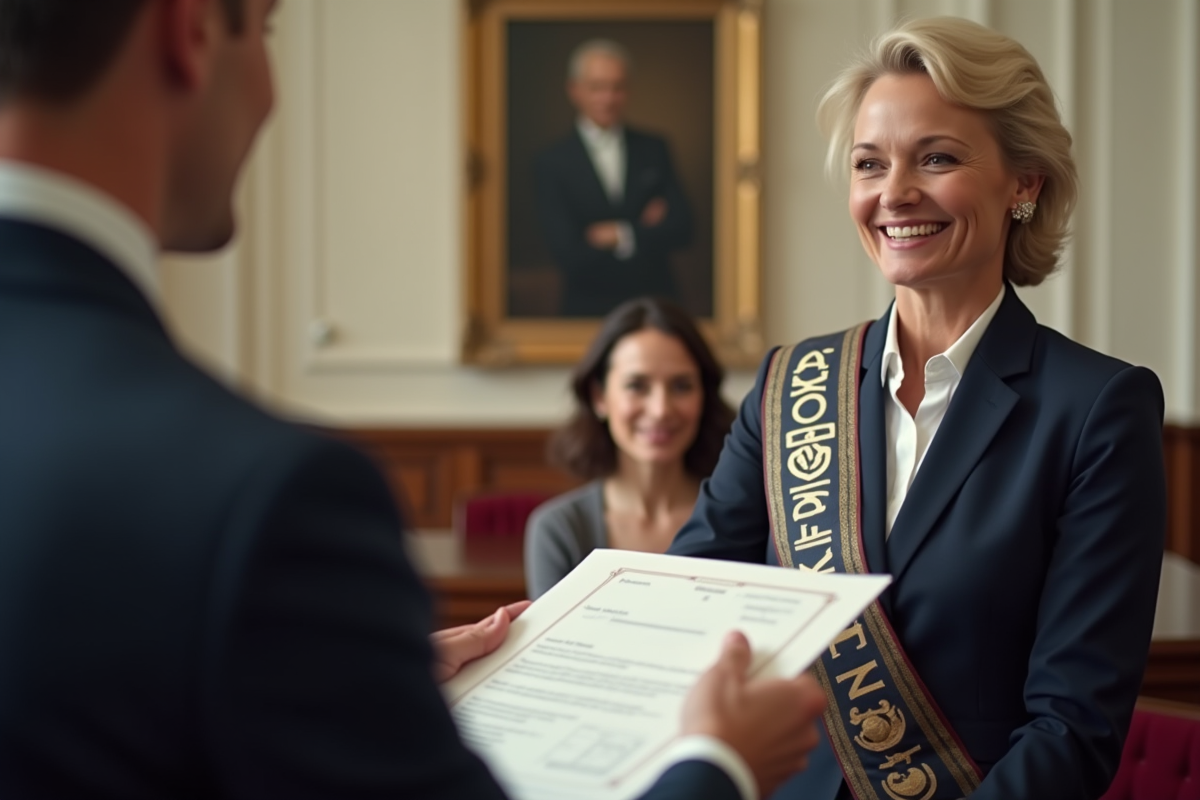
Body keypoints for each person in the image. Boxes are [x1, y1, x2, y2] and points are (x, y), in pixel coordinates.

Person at [0, 1, 830, 798]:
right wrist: (715, 766)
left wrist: (333, 682)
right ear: (189, 30)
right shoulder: (266, 494)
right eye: (268, 28)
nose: (271, 92)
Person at [669, 16, 1166, 800]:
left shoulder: (1097, 409)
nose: (894, 193)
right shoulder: (789, 384)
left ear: (1024, 184)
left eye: (936, 158)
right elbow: (686, 613)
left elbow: (1073, 729)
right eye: (871, 164)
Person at [525, 297, 734, 598]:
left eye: (681, 386)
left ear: (704, 396)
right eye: (637, 386)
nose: (661, 409)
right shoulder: (560, 529)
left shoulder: (736, 517)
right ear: (599, 396)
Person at [534, 39, 692, 317]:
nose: (608, 98)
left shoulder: (654, 148)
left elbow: (684, 229)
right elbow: (568, 254)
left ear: (628, 90)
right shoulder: (551, 162)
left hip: (657, 306)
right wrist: (643, 229)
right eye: (597, 87)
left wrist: (617, 234)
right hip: (586, 310)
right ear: (574, 90)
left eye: (617, 87)